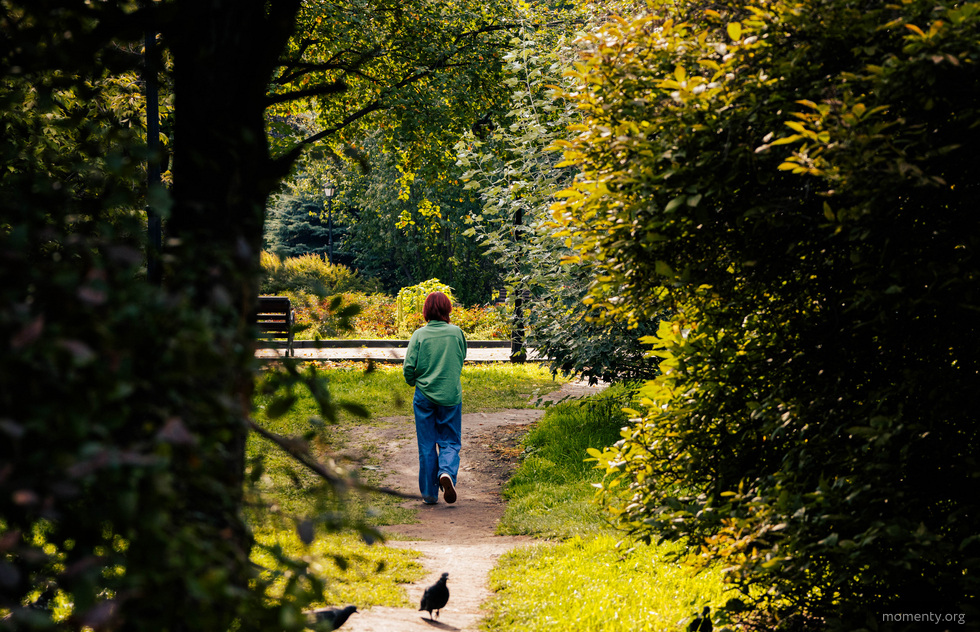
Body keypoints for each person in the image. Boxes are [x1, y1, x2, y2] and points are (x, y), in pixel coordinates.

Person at [403, 291, 467, 504]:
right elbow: (461, 357)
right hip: (450, 395)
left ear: (426, 311)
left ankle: (430, 494)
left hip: (424, 396)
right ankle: (446, 472)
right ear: (447, 309)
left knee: (427, 444)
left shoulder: (419, 335)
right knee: (449, 441)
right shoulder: (456, 333)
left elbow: (408, 368)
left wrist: (415, 382)